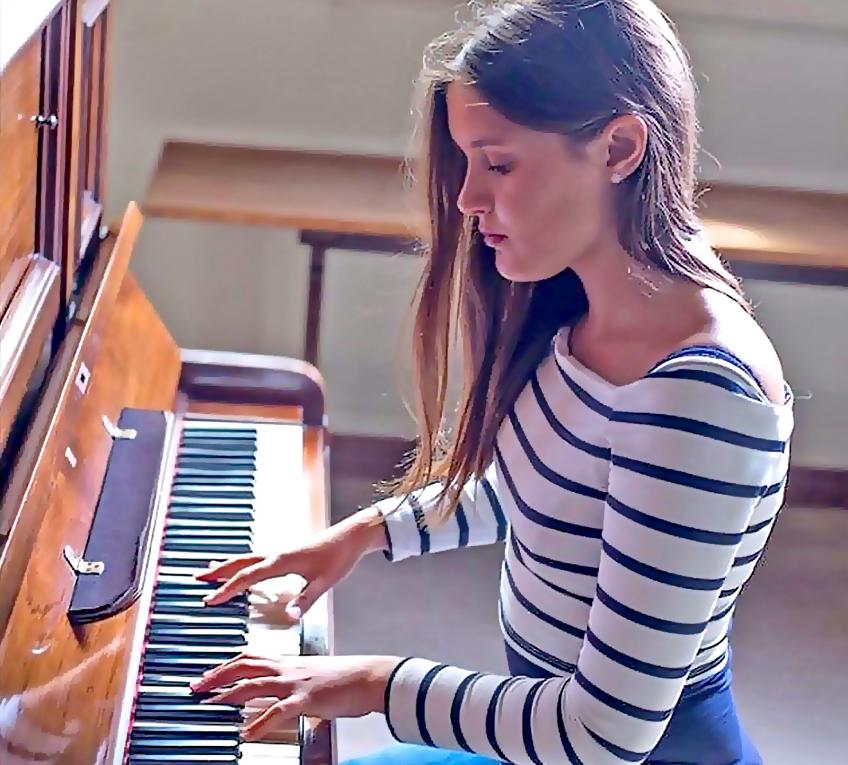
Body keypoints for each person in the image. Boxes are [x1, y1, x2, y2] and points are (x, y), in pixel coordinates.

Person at [189, 1, 794, 763]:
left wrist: (375, 682)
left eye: (498, 163)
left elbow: (604, 735)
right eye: (467, 164)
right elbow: (546, 487)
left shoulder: (701, 396)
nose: (468, 200)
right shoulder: (582, 308)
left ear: (619, 147)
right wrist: (365, 534)